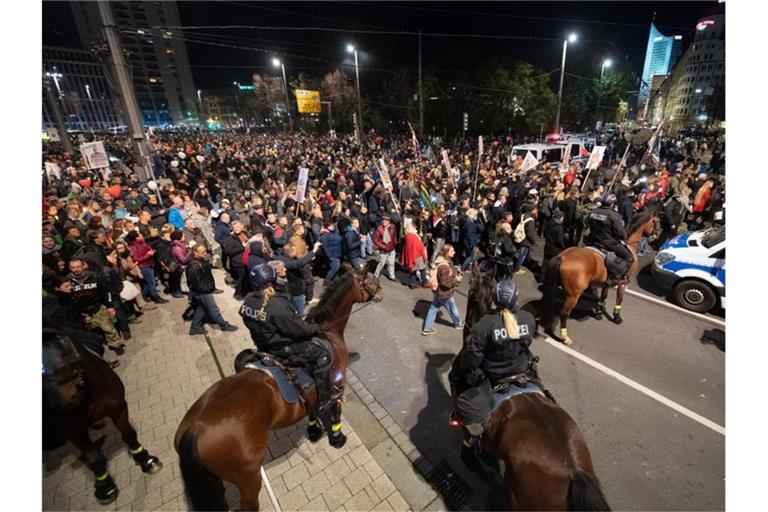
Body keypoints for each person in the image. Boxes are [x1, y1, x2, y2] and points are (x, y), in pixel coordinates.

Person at [240, 262, 342, 440]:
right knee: (324, 353)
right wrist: (317, 326)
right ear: (273, 279)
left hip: (264, 347)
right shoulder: (278, 304)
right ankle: (325, 399)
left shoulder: (248, 301)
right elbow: (299, 330)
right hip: (285, 350)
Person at [448, 280, 536, 471]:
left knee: (457, 380)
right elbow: (527, 343)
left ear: (494, 299)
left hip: (493, 379)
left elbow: (472, 360)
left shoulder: (484, 325)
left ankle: (468, 445)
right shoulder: (528, 318)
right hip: (522, 373)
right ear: (516, 298)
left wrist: (462, 370)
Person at [68, 258, 126, 355]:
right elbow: (69, 300)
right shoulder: (68, 281)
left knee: (108, 328)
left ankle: (115, 344)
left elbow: (105, 292)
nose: (76, 269)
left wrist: (110, 306)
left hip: (98, 308)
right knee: (93, 332)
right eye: (73, 267)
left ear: (83, 266)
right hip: (82, 312)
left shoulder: (95, 277)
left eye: (78, 267)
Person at [184, 244, 239, 335]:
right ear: (195, 253)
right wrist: (209, 289)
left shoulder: (200, 261)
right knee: (214, 310)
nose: (205, 253)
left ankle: (195, 327)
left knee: (201, 308)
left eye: (205, 251)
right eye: (203, 252)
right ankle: (224, 325)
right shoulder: (193, 267)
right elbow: (197, 284)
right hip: (203, 292)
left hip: (203, 290)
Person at [585, 193, 633, 287]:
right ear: (612, 204)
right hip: (608, 243)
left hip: (592, 240)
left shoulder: (593, 211)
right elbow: (621, 234)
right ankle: (614, 278)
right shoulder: (614, 215)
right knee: (629, 257)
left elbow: (587, 223)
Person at [422, 245, 464, 335]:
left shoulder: (441, 262)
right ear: (446, 253)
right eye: (452, 251)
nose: (454, 252)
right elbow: (445, 283)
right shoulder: (444, 267)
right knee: (453, 310)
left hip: (438, 292)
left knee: (433, 309)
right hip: (445, 294)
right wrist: (456, 280)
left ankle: (427, 328)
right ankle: (458, 324)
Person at [372, 213, 397, 281]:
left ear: (389, 221)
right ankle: (376, 275)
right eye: (383, 220)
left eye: (386, 220)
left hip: (392, 249)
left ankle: (392, 276)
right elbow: (375, 240)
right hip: (384, 250)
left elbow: (394, 236)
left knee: (391, 263)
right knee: (382, 263)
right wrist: (383, 246)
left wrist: (394, 244)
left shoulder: (393, 227)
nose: (384, 221)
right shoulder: (379, 229)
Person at [512, 205, 536, 275]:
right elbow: (530, 233)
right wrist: (534, 241)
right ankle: (517, 269)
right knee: (522, 255)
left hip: (519, 237)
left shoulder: (522, 216)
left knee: (519, 253)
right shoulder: (530, 220)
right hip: (525, 240)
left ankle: (516, 266)